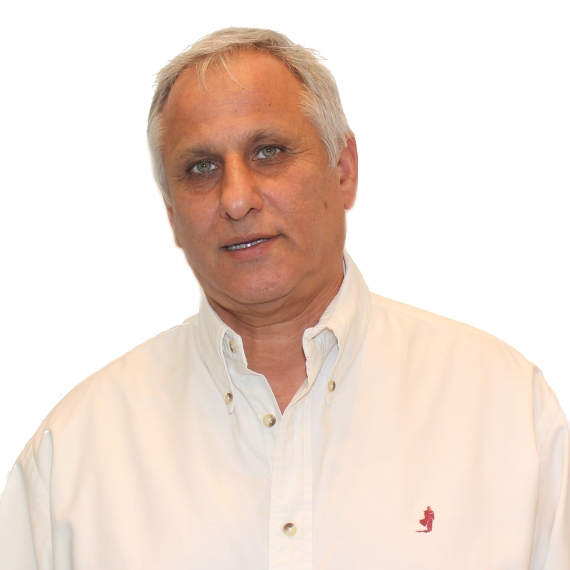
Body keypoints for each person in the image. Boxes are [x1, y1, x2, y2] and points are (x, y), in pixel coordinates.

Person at [0, 27, 568, 569]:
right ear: (171, 213)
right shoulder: (72, 459)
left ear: (343, 169)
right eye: (201, 167)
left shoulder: (508, 414)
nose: (237, 198)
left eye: (268, 152)